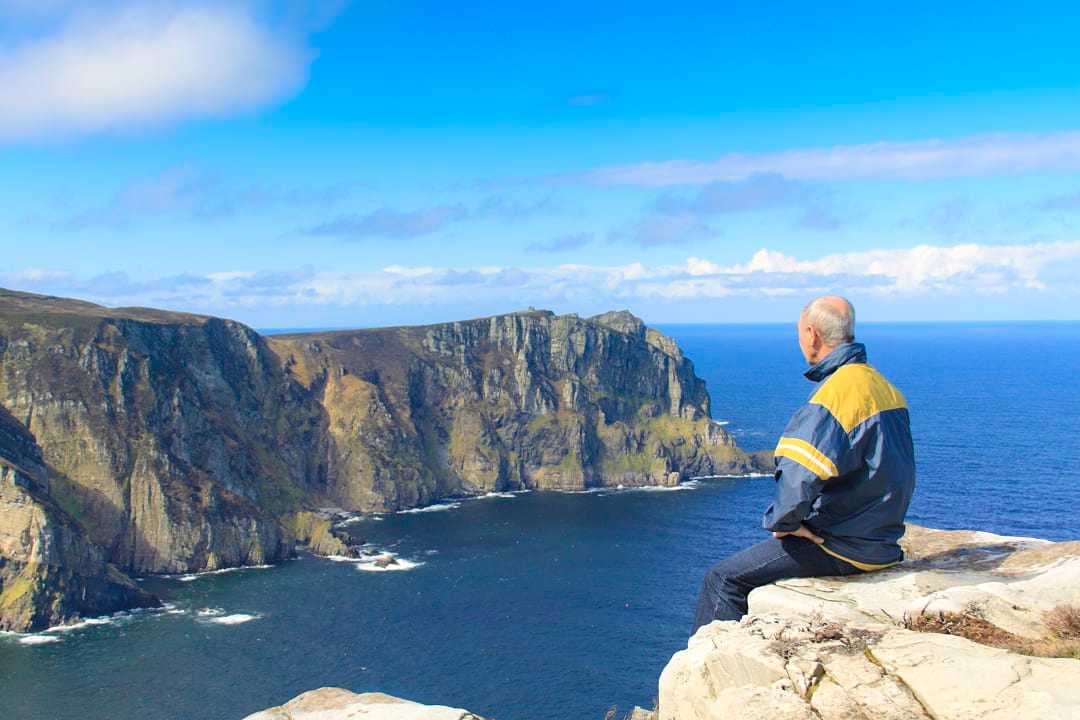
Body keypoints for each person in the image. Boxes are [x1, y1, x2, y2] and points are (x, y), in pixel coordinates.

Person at [691, 296, 915, 636]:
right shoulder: (884, 388)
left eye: (798, 334)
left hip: (842, 546)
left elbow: (798, 478)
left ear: (812, 335)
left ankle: (707, 676)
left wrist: (786, 523)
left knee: (722, 580)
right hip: (882, 541)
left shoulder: (835, 397)